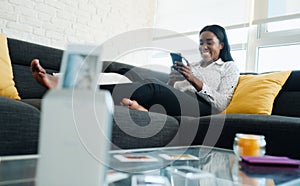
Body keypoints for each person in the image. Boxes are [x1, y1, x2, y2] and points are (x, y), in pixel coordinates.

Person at [31, 24, 239, 117]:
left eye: (209, 42)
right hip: (179, 101)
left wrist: (194, 81)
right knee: (142, 82)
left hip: (203, 108)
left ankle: (71, 89)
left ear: (221, 45)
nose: (203, 46)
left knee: (152, 88)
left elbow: (221, 103)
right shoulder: (193, 66)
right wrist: (174, 80)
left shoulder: (229, 67)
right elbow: (169, 91)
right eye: (201, 42)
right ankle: (140, 108)